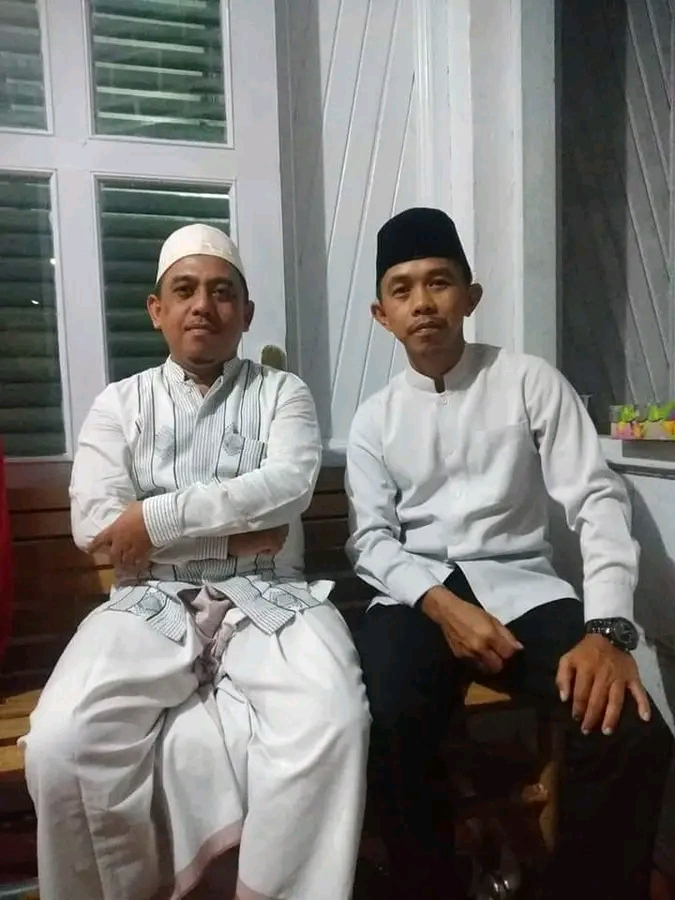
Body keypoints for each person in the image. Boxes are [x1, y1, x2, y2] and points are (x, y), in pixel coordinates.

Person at [22, 224, 370, 900]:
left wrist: (152, 520)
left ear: (246, 312)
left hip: (271, 595)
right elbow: (96, 527)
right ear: (157, 310)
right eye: (184, 291)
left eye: (221, 292)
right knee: (62, 744)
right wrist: (228, 540)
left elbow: (286, 489)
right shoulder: (119, 404)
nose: (202, 306)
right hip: (145, 600)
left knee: (335, 722)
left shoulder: (282, 393)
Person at [346, 207, 673, 900]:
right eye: (402, 289)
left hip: (524, 590)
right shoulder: (374, 418)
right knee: (383, 722)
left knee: (630, 731)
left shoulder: (529, 380)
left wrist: (607, 629)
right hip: (415, 598)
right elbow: (370, 540)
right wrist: (441, 606)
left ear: (470, 296)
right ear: (382, 314)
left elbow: (597, 499)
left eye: (439, 282)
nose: (422, 302)